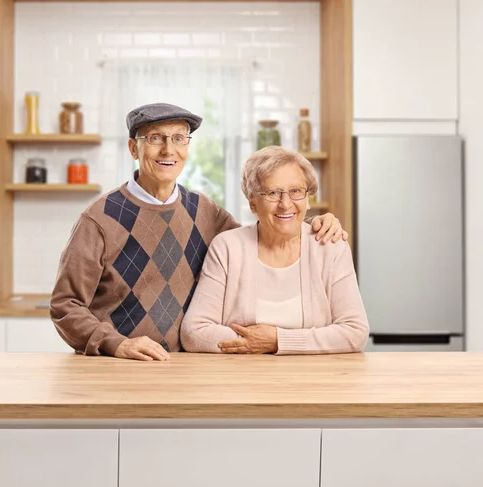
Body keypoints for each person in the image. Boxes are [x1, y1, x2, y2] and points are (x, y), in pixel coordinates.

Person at [50, 104, 347, 361]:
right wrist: (118, 345)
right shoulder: (99, 218)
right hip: (117, 365)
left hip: (185, 366)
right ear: (133, 148)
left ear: (187, 147)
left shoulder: (203, 211)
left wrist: (316, 224)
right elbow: (66, 305)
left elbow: (265, 237)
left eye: (179, 138)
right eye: (155, 138)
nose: (169, 149)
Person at [180, 146, 368, 355]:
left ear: (307, 199)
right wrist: (255, 342)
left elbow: (355, 332)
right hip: (241, 380)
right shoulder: (227, 247)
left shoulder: (330, 246)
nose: (285, 204)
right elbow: (194, 332)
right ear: (252, 203)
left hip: (316, 380)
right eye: (272, 193)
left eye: (295, 191)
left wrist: (278, 341)